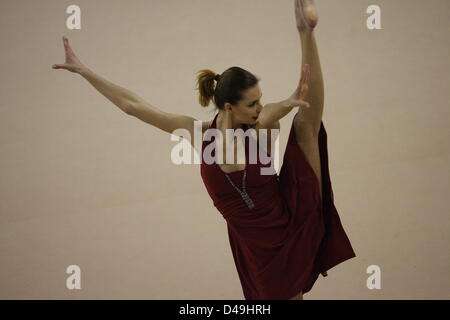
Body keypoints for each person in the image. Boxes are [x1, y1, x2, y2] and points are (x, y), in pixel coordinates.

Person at [53, 0, 356, 300]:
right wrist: (84, 71)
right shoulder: (229, 132)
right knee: (302, 125)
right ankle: (305, 31)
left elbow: (267, 115)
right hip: (258, 246)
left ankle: (306, 31)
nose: (259, 107)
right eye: (252, 103)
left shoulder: (215, 132)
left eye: (259, 100)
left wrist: (287, 101)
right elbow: (132, 106)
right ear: (229, 107)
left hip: (288, 217)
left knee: (307, 126)